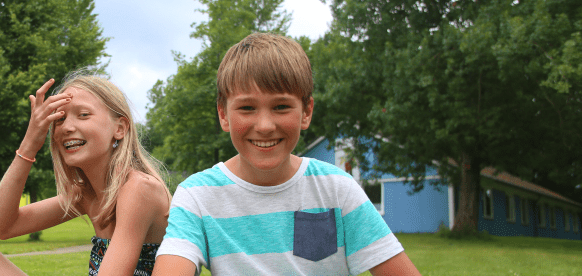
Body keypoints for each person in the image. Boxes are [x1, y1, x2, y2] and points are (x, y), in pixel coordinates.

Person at [152, 33, 421, 276]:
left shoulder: (337, 190)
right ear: (223, 114)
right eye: (247, 108)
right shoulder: (196, 196)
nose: (265, 126)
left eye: (281, 106)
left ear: (306, 112)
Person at [0, 73, 171, 276]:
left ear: (120, 128)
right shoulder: (86, 195)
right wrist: (30, 142)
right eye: (59, 118)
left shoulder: (139, 188)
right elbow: (1, 227)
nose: (67, 127)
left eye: (83, 115)